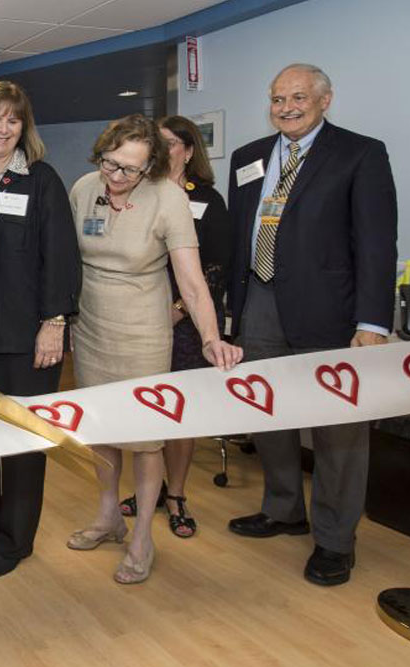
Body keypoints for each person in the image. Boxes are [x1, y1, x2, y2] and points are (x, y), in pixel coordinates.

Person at [226, 64, 397, 586]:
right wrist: (231, 310)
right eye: (277, 98)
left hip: (331, 311)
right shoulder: (247, 158)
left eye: (298, 97)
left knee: (337, 428)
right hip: (258, 299)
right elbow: (239, 236)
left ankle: (334, 539)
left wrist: (372, 321)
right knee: (266, 409)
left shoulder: (360, 154)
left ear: (325, 100)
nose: (286, 107)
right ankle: (283, 508)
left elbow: (375, 242)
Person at [67, 114, 242, 584]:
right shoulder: (85, 187)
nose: (117, 176)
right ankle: (109, 515)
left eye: (130, 170)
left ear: (151, 168)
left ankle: (143, 533)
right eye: (110, 163)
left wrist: (211, 337)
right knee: (99, 427)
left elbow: (191, 278)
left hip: (145, 327)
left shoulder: (168, 199)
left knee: (146, 437)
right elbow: (64, 259)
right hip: (90, 325)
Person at [0, 81, 80, 578]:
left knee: (25, 443)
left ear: (23, 128)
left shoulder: (40, 180)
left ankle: (15, 538)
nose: (2, 128)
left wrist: (53, 324)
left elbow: (62, 259)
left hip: (26, 338)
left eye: (13, 120)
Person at [118, 115, 231, 539]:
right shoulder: (140, 194)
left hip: (185, 322)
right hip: (142, 319)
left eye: (168, 143)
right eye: (156, 143)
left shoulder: (206, 199)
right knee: (147, 409)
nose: (162, 151)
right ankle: (148, 488)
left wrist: (180, 308)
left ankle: (177, 494)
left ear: (188, 149)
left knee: (180, 412)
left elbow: (217, 265)